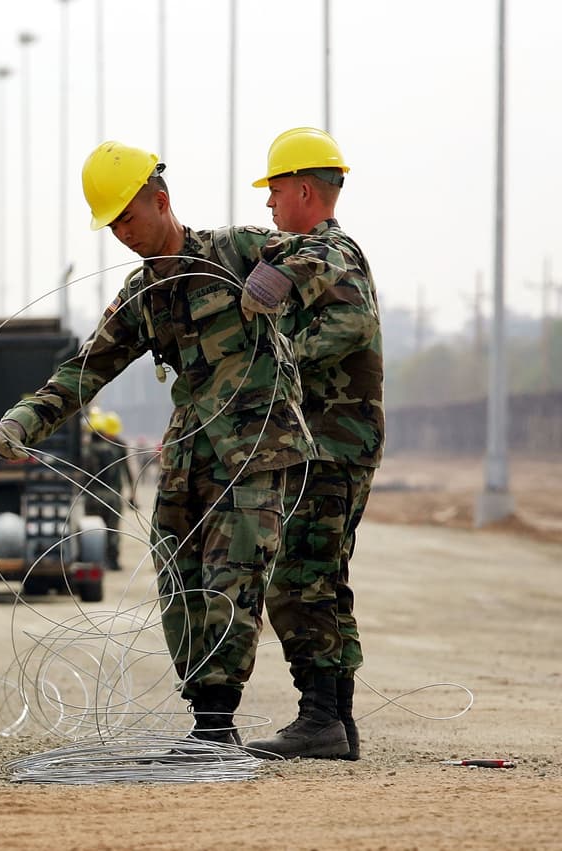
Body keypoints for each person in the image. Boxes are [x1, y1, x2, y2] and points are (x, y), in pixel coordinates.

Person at [0, 141, 316, 745]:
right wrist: (25, 421)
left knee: (231, 576)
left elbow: (326, 253)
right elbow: (85, 368)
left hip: (260, 451)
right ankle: (204, 714)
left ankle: (218, 722)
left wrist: (277, 276)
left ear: (161, 201)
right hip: (192, 456)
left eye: (128, 218)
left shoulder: (234, 251)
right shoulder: (143, 295)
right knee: (177, 578)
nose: (121, 233)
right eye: (111, 225)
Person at [239, 128, 384, 761]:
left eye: (274, 192)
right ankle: (333, 721)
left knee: (299, 576)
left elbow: (353, 323)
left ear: (302, 189)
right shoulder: (324, 254)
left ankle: (321, 718)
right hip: (331, 443)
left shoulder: (328, 251)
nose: (269, 205)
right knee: (322, 577)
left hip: (332, 443)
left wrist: (280, 359)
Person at [80, 412, 132, 570]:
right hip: (113, 497)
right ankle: (113, 561)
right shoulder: (115, 450)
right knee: (112, 530)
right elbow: (124, 472)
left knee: (94, 530)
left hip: (92, 497)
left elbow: (82, 476)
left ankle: (97, 559)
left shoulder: (86, 451)